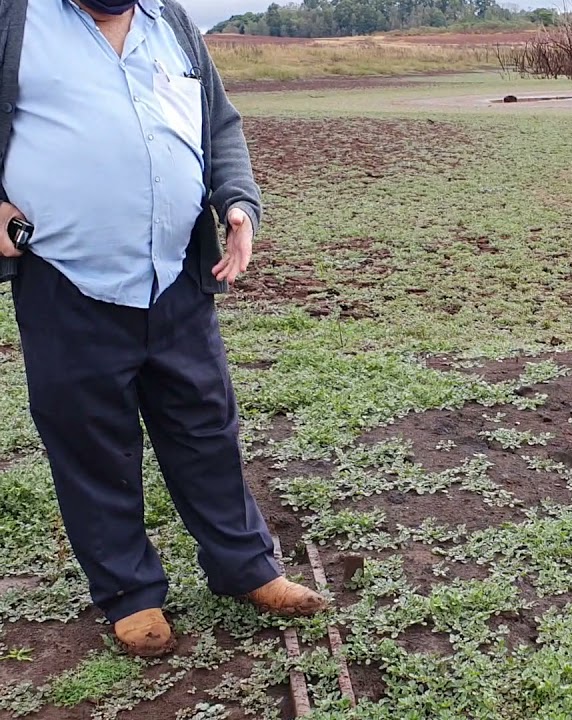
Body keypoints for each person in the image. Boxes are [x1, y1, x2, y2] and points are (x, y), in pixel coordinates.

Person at [0, 0, 327, 657]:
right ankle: (130, 595)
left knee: (205, 426)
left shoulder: (171, 24)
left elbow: (219, 128)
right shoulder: (16, 19)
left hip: (176, 275)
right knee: (92, 442)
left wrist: (237, 202)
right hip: (67, 279)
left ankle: (247, 569)